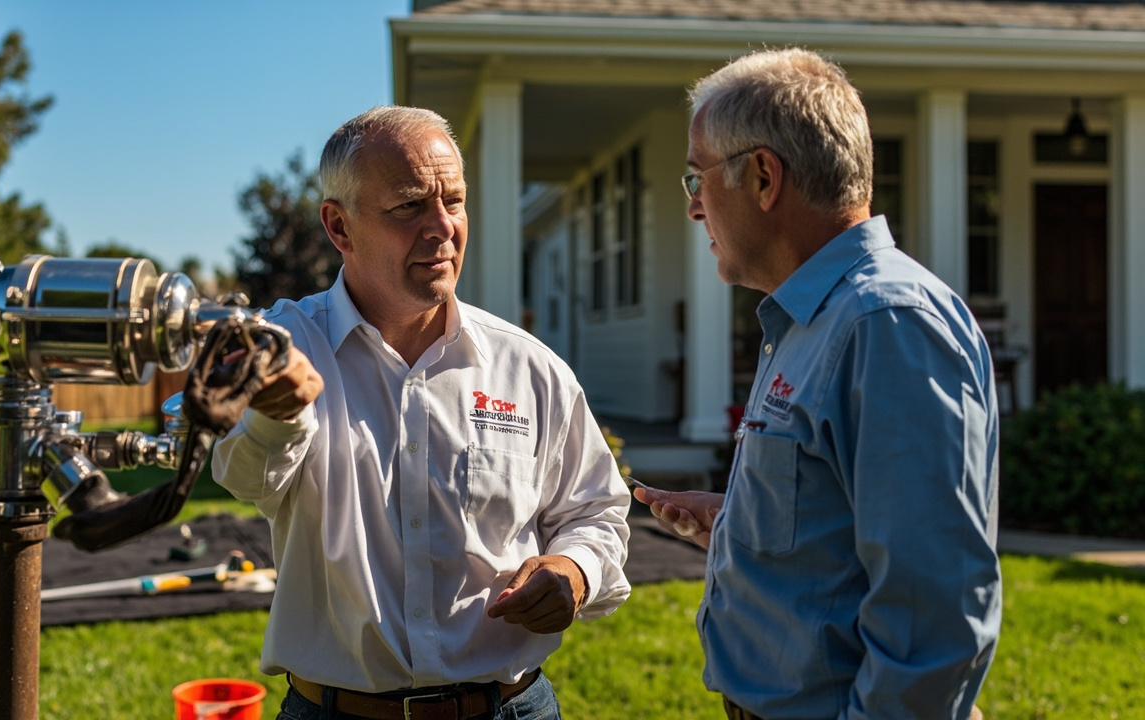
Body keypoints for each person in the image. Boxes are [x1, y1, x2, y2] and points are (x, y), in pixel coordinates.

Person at [211, 105, 631, 720]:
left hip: (511, 708)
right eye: (408, 206)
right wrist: (278, 412)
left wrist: (574, 569)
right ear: (339, 226)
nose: (442, 227)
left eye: (454, 201)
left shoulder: (529, 369)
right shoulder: (284, 348)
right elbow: (243, 475)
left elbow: (597, 510)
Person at [633, 48, 1002, 720]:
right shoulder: (811, 317)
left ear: (765, 176)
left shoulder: (885, 324)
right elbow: (844, 517)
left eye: (697, 180)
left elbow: (934, 614)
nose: (693, 209)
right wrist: (743, 522)